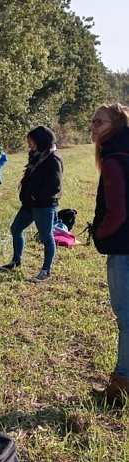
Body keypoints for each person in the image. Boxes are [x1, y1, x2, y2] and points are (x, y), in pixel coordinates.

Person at [90, 103, 129, 402]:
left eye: (99, 122)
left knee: (126, 318)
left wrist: (99, 232)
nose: (93, 126)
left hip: (124, 250)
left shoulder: (115, 160)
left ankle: (121, 386)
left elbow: (116, 213)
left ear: (115, 126)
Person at [0, 126, 63, 283]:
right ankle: (16, 261)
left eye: (31, 142)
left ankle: (46, 270)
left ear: (40, 141)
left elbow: (55, 186)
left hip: (44, 205)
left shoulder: (53, 160)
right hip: (29, 204)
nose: (29, 145)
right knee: (16, 229)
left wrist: (35, 196)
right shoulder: (36, 156)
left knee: (46, 237)